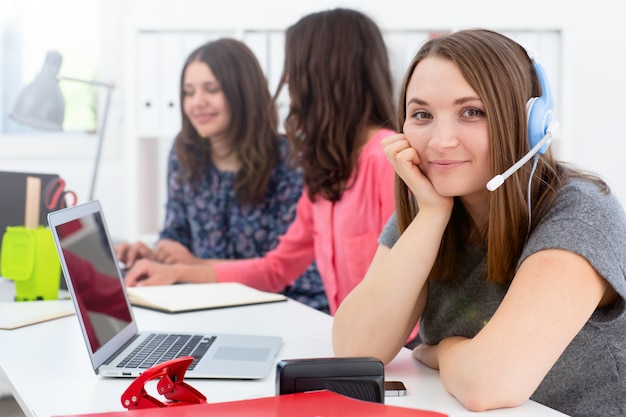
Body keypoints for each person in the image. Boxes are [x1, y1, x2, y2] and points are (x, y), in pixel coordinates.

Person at [332, 29, 626, 417]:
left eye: (472, 112)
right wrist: (432, 215)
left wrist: (440, 350)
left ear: (530, 123)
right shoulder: (429, 205)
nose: (441, 141)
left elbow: (488, 384)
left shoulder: (579, 212)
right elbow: (356, 347)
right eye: (421, 114)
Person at [123, 8, 397, 316]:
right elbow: (276, 268)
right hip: (350, 343)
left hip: (378, 348)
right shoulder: (327, 169)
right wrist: (177, 269)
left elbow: (403, 292)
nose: (287, 82)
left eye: (293, 69)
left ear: (322, 76)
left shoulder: (388, 161)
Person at [115, 38, 328, 313]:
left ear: (242, 93)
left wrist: (190, 266)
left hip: (281, 307)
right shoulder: (184, 152)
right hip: (205, 303)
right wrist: (161, 252)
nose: (197, 103)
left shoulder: (291, 161)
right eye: (188, 92)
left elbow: (284, 269)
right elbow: (176, 229)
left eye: (211, 89)